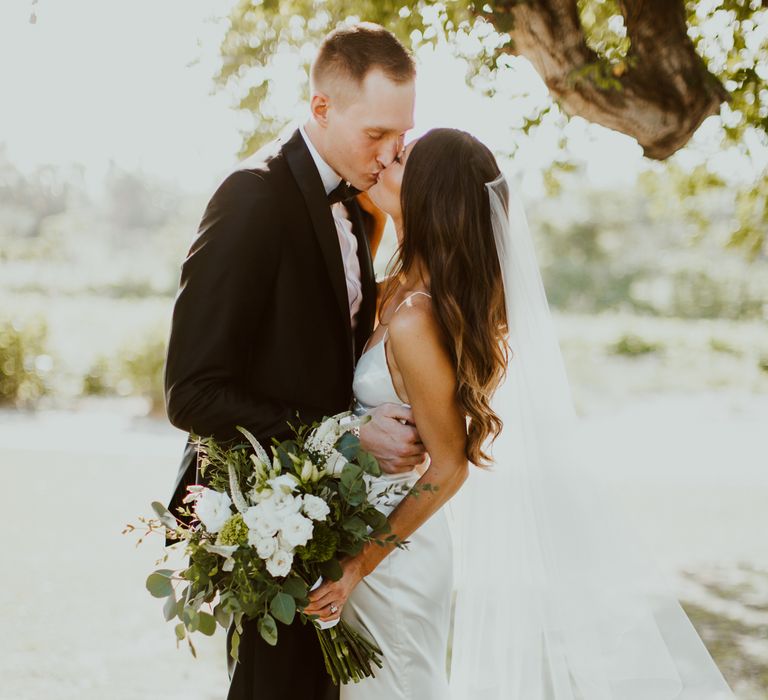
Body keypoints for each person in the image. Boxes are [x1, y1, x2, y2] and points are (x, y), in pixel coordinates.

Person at [304, 128, 737, 699]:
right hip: (358, 527)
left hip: (396, 553)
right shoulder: (389, 289)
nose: (386, 156)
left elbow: (449, 466)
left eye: (403, 157)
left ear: (431, 194)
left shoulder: (416, 321)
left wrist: (360, 563)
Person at [162, 23, 426, 700]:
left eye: (401, 133)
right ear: (321, 109)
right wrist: (340, 436)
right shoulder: (252, 198)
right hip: (267, 527)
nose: (392, 151)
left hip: (334, 525)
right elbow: (192, 393)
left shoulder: (362, 212)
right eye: (375, 135)